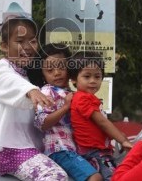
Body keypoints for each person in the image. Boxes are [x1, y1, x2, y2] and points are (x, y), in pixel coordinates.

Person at [0, 16, 68, 180]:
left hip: (26, 148)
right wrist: (31, 91)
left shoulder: (25, 75)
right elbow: (9, 81)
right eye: (20, 41)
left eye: (32, 41)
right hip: (6, 150)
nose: (27, 46)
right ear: (4, 46)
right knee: (54, 176)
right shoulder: (1, 69)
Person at [33, 43, 103, 181]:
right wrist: (65, 107)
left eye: (61, 67)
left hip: (76, 151)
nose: (57, 73)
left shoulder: (73, 93)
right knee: (95, 177)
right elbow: (42, 123)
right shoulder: (46, 92)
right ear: (43, 74)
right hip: (59, 149)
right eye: (50, 70)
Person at [69, 51, 132, 180]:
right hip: (95, 152)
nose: (93, 81)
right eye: (87, 76)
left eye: (97, 77)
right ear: (74, 79)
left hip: (97, 150)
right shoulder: (82, 99)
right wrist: (123, 140)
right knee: (115, 177)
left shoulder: (88, 98)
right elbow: (103, 123)